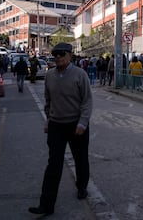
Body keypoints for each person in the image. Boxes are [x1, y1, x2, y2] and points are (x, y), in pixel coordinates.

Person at [29, 42, 93, 216]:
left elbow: (87, 101)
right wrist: (48, 120)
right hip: (56, 125)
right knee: (53, 165)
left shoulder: (80, 75)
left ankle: (82, 187)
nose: (57, 57)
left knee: (80, 159)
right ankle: (46, 205)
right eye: (55, 54)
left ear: (70, 55)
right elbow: (48, 101)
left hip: (76, 125)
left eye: (61, 54)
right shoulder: (50, 75)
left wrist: (82, 123)